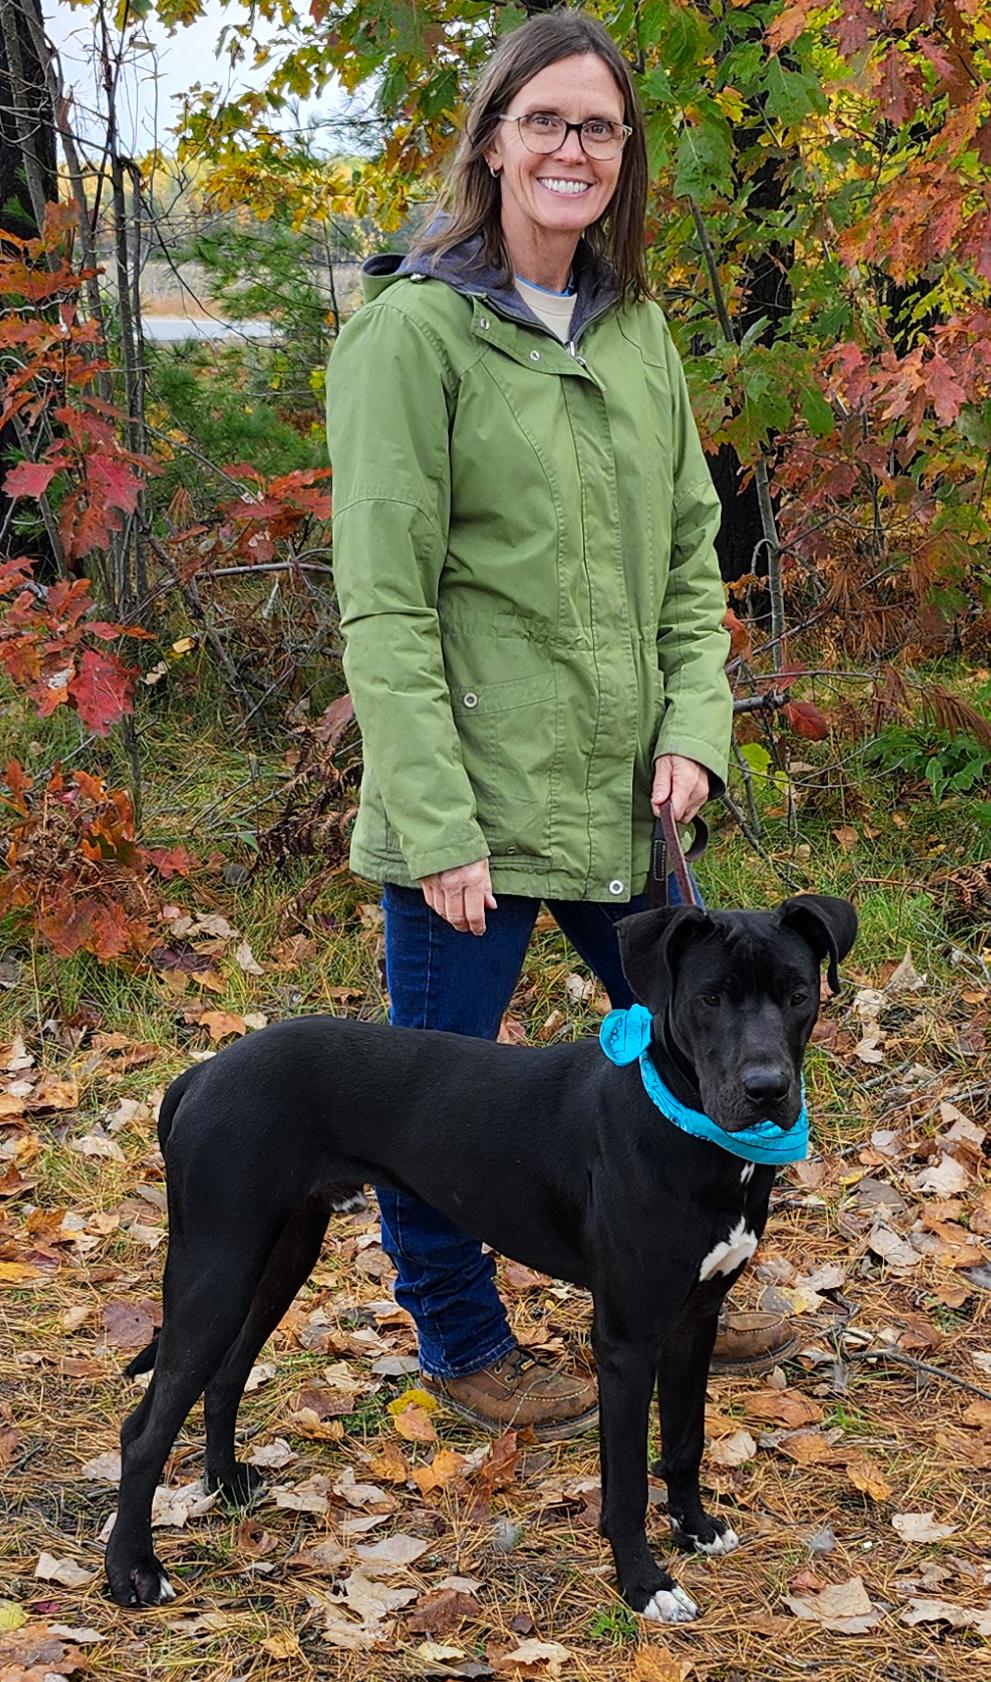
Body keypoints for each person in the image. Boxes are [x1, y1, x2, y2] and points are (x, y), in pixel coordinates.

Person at [325, 9, 796, 1439]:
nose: (571, 150)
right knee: (432, 1100)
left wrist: (695, 728)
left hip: (622, 807)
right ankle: (462, 1344)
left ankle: (693, 1259)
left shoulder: (638, 331)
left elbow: (684, 554)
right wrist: (436, 822)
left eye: (597, 127)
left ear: (623, 154)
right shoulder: (415, 333)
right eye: (545, 121)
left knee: (694, 1044)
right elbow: (387, 610)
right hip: (470, 808)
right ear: (491, 137)